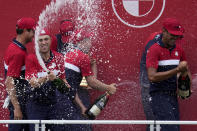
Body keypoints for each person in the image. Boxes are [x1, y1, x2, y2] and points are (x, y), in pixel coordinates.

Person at [25, 29, 87, 131]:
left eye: (46, 39)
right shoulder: (31, 58)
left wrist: (60, 82)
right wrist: (46, 78)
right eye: (40, 40)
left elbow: (63, 83)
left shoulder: (59, 58)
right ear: (36, 43)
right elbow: (33, 83)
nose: (44, 42)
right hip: (36, 105)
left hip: (53, 103)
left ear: (50, 40)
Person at [146, 18, 191, 131]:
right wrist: (177, 70)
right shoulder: (154, 49)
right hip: (158, 96)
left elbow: (185, 70)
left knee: (174, 128)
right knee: (171, 129)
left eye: (177, 36)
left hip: (173, 96)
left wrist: (187, 86)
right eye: (172, 35)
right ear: (164, 31)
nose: (174, 38)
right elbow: (152, 76)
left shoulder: (179, 50)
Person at [64, 30, 117, 119]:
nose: (91, 43)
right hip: (67, 101)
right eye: (89, 40)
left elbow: (70, 88)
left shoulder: (70, 53)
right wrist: (109, 88)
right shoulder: (82, 57)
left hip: (64, 98)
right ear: (83, 42)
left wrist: (82, 107)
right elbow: (91, 82)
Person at [4, 17, 36, 131]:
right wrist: (17, 108)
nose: (34, 35)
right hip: (18, 103)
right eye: (33, 31)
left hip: (19, 101)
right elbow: (9, 82)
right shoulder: (17, 53)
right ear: (26, 31)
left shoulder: (16, 46)